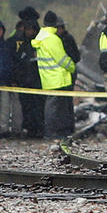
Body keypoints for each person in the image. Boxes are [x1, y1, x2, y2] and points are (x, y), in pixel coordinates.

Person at [33, 10, 76, 139]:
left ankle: (53, 131)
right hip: (58, 78)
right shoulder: (52, 38)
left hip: (48, 78)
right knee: (56, 108)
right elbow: (61, 59)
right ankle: (53, 132)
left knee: (53, 107)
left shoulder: (41, 37)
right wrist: (72, 67)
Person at [10, 10, 42, 138]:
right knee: (26, 106)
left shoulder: (38, 40)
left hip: (37, 79)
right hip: (24, 79)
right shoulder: (19, 41)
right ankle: (30, 128)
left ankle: (39, 128)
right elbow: (15, 61)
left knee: (38, 105)